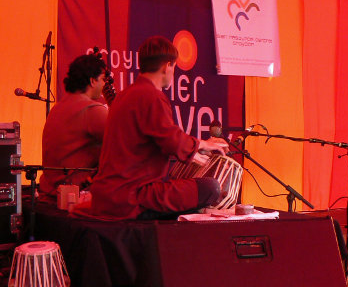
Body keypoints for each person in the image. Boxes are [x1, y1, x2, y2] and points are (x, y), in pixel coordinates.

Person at [89, 36, 228, 220]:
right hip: (132, 197)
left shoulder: (124, 96)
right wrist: (203, 144)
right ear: (167, 66)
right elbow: (171, 140)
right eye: (174, 67)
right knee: (210, 188)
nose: (173, 72)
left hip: (106, 197)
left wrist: (194, 150)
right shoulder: (151, 96)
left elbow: (160, 139)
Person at [39, 54, 108, 198]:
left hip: (49, 190)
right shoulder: (92, 110)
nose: (104, 85)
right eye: (102, 79)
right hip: (74, 194)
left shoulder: (57, 107)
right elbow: (125, 143)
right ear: (92, 81)